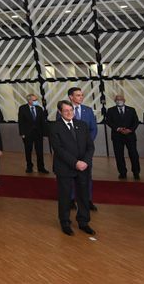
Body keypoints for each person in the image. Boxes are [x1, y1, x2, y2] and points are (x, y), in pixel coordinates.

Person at [50, 100, 95, 236]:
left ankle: (83, 222)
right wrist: (75, 162)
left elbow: (90, 146)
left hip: (83, 167)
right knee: (65, 197)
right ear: (60, 112)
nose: (69, 113)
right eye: (66, 111)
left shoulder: (82, 125)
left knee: (83, 195)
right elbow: (58, 149)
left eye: (71, 110)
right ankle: (65, 223)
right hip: (65, 167)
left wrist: (85, 162)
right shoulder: (54, 127)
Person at [58, 87, 98, 211]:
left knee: (87, 177)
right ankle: (71, 199)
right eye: (78, 95)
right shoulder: (63, 111)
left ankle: (88, 199)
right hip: (69, 152)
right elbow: (60, 131)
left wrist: (85, 144)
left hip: (85, 151)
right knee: (69, 177)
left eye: (82, 95)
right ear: (71, 97)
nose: (81, 97)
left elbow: (93, 129)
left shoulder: (88, 110)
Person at [105, 93, 140, 180]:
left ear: (124, 100)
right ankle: (122, 172)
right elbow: (108, 122)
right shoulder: (110, 110)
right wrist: (118, 128)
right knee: (119, 155)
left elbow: (136, 122)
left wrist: (130, 130)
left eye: (120, 99)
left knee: (134, 155)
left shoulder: (131, 110)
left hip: (130, 136)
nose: (119, 101)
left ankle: (136, 172)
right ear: (115, 101)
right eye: (117, 99)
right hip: (117, 136)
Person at [17, 94, 48, 174]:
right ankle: (29, 167)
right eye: (34, 100)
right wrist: (22, 133)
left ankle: (41, 167)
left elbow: (42, 122)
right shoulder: (22, 108)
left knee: (40, 151)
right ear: (29, 100)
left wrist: (44, 134)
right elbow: (21, 122)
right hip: (27, 134)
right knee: (28, 151)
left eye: (36, 100)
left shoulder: (39, 109)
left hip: (38, 134)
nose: (36, 101)